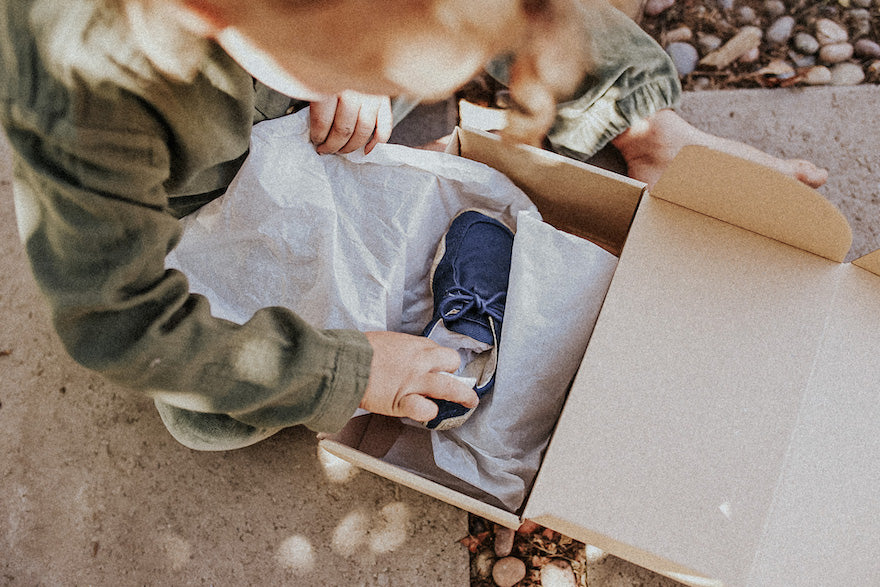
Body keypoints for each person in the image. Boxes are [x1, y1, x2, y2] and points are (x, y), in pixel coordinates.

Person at [0, 0, 827, 450]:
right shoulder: (84, 96)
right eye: (371, 65)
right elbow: (115, 318)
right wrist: (346, 371)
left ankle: (645, 132)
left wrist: (352, 66)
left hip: (299, 69)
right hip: (196, 184)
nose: (406, 89)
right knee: (200, 416)